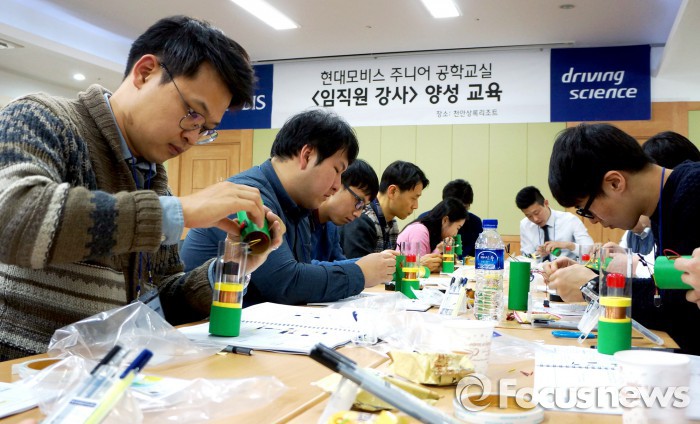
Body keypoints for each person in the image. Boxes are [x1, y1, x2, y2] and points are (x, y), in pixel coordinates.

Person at [0, 16, 284, 360]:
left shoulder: (153, 181)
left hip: (107, 378)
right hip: (23, 374)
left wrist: (232, 267)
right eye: (193, 113)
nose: (192, 136)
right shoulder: (41, 118)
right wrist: (180, 212)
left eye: (205, 128)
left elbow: (157, 305)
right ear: (145, 72)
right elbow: (13, 218)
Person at [181, 109, 396, 306]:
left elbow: (303, 268)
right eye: (336, 170)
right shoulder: (249, 196)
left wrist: (367, 265)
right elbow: (284, 283)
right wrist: (361, 273)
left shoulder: (298, 206)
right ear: (307, 155)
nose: (337, 185)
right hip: (198, 327)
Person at [546, 123, 700, 355]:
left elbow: (676, 310)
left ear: (615, 183)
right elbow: (667, 294)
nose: (592, 221)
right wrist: (591, 277)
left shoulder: (693, 190)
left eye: (585, 210)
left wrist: (595, 286)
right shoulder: (665, 205)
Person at [340, 161, 438, 269]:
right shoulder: (362, 220)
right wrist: (415, 265)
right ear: (392, 191)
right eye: (413, 198)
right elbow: (359, 270)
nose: (416, 206)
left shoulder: (392, 223)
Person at [311, 159, 379, 263]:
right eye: (359, 202)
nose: (358, 214)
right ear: (337, 183)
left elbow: (340, 264)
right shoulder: (300, 217)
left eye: (363, 207)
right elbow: (303, 267)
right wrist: (365, 264)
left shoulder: (331, 227)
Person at [515, 186, 593, 261]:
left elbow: (591, 251)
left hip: (568, 268)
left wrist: (568, 245)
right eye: (529, 216)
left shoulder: (570, 220)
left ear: (546, 203)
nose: (535, 219)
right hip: (538, 269)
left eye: (537, 213)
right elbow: (526, 258)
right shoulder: (525, 225)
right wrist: (538, 255)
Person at [397, 198, 467, 272]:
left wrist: (445, 259)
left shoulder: (434, 233)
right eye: (458, 228)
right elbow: (422, 268)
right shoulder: (420, 231)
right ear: (445, 220)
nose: (456, 234)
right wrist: (439, 250)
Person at [418, 179, 482, 258]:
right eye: (455, 208)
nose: (459, 213)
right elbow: (421, 260)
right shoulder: (425, 222)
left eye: (463, 208)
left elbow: (478, 255)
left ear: (469, 205)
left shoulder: (475, 223)